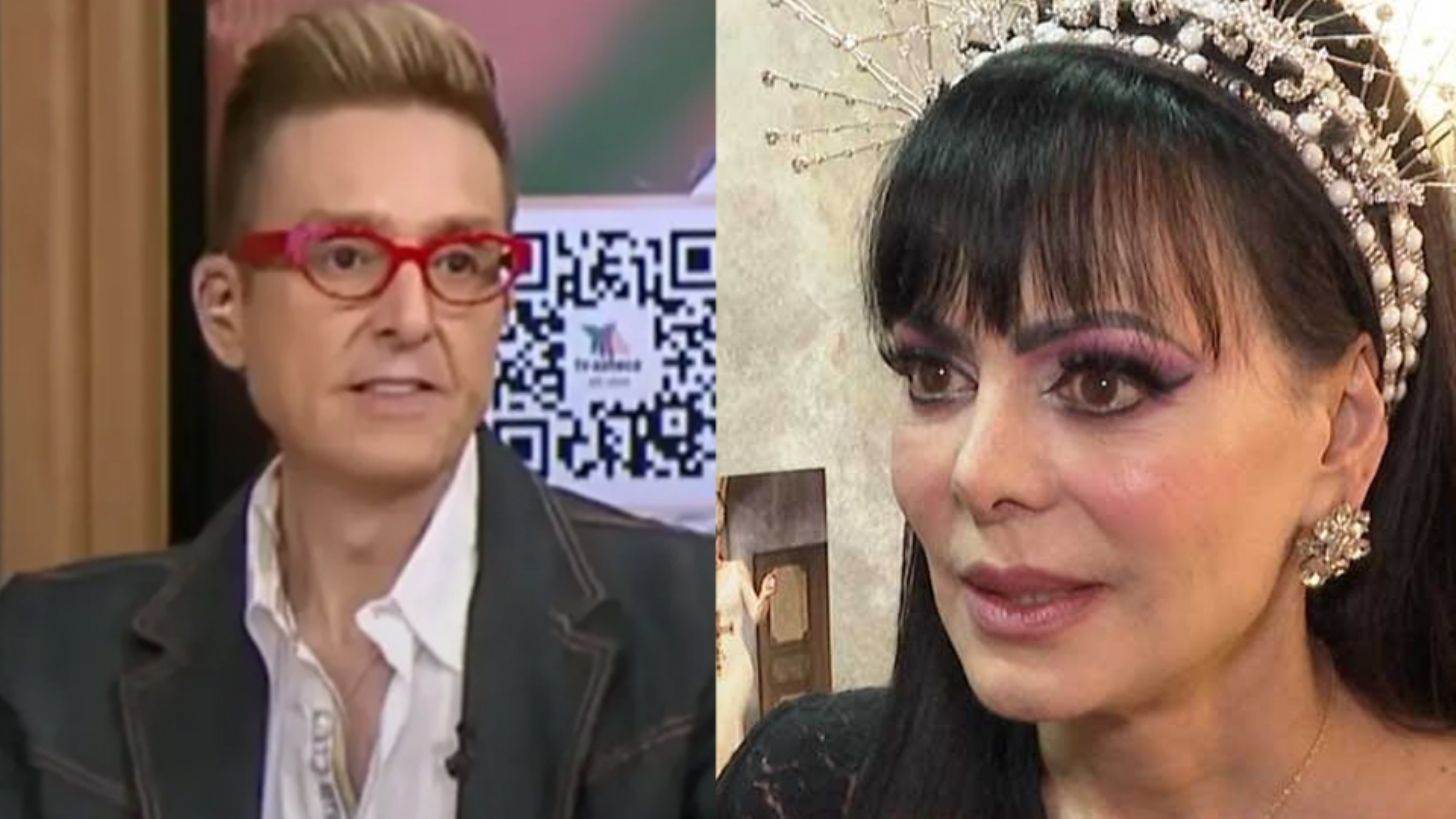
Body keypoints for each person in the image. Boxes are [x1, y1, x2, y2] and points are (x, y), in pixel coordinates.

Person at [720, 1, 1456, 817]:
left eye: (1102, 383)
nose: (979, 474)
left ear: (1341, 430)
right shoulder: (803, 788)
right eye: (934, 374)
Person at [0, 4, 713, 818]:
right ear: (225, 308)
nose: (410, 317)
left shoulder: (696, 643)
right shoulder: (41, 671)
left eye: (459, 261)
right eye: (345, 256)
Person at [714, 538, 778, 775]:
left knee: (729, 720)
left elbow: (756, 614)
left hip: (736, 661)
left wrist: (766, 594)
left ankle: (731, 780)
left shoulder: (736, 570)